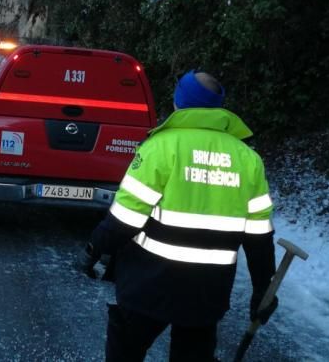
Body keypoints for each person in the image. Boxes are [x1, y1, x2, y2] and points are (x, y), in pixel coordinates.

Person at [82, 70, 277, 362]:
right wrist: (264, 289)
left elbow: (126, 218)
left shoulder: (161, 147)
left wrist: (94, 248)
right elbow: (259, 236)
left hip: (149, 284)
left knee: (125, 349)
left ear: (180, 101)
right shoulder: (248, 159)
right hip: (207, 291)